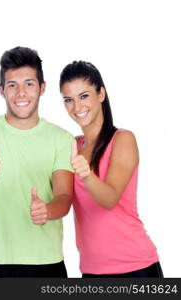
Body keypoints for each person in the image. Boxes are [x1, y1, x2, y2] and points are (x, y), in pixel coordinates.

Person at [0, 46, 74, 278]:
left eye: (29, 84)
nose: (21, 93)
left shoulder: (62, 139)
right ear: (1, 90)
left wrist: (47, 210)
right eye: (12, 85)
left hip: (49, 262)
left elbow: (64, 197)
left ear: (42, 88)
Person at [60, 60, 162, 278]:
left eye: (84, 96)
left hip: (135, 268)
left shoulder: (122, 139)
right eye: (68, 100)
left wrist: (86, 173)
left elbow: (110, 198)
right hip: (91, 272)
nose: (77, 107)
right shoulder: (71, 146)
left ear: (101, 94)